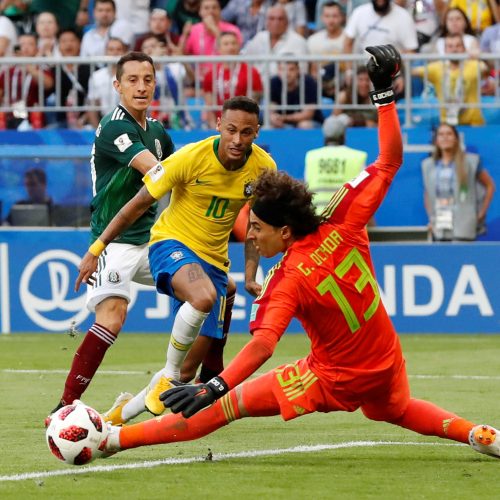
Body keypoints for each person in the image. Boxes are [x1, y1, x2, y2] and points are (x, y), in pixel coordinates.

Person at [99, 45, 500, 463]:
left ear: (284, 231)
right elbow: (389, 162)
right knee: (393, 408)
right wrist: (384, 95)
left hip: (331, 378)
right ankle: (475, 432)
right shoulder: (342, 220)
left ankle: (111, 441)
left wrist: (214, 386)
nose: (250, 237)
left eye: (256, 228)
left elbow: (262, 347)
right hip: (385, 359)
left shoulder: (286, 278)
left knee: (221, 410)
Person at [75, 96, 277, 425]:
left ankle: (117, 415)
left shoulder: (264, 168)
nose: (237, 140)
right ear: (218, 126)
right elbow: (136, 205)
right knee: (205, 297)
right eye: (231, 130)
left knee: (184, 378)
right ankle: (168, 373)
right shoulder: (190, 158)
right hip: (171, 244)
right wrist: (97, 248)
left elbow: (256, 223)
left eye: (246, 132)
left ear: (257, 132)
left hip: (212, 263)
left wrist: (252, 273)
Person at [45, 51, 175, 420]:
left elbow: (176, 179)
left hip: (150, 241)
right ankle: (65, 405)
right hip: (112, 241)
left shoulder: (159, 132)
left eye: (147, 79)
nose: (141, 86)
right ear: (117, 86)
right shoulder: (113, 126)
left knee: (206, 292)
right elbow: (159, 172)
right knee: (112, 317)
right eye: (132, 80)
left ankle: (194, 380)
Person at [421, 122, 495, 241]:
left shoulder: (471, 161)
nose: (445, 137)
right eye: (441, 134)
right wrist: (431, 217)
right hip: (440, 223)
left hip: (464, 223)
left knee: (463, 257)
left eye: (449, 134)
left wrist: (481, 213)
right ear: (436, 140)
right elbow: (428, 193)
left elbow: (490, 185)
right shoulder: (428, 165)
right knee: (442, 256)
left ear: (456, 138)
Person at [411, 33, 488, 126]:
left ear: (464, 49)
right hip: (447, 127)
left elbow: (489, 69)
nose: (454, 49)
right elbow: (410, 71)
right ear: (445, 50)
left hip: (474, 124)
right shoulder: (437, 68)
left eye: (458, 46)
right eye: (450, 46)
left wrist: (482, 57)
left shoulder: (475, 65)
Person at [304, 114, 367, 213]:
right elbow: (364, 193)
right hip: (348, 220)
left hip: (318, 220)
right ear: (344, 135)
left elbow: (307, 191)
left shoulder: (311, 156)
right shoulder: (357, 156)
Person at [202, 31, 263, 129]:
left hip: (243, 125)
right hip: (218, 125)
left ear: (239, 47)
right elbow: (209, 106)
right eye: (226, 44)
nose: (230, 47)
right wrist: (215, 128)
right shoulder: (210, 74)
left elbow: (253, 105)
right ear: (219, 49)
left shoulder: (251, 72)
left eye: (234, 43)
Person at [243, 4, 309, 77]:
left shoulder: (298, 42)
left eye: (280, 19)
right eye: (272, 18)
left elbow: (302, 72)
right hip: (256, 85)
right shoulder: (259, 37)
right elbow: (244, 60)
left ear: (287, 22)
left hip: (283, 86)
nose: (276, 23)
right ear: (266, 22)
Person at [269, 60, 323, 129]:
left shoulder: (308, 81)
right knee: (270, 125)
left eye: (291, 69)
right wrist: (273, 117)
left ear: (298, 70)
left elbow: (308, 114)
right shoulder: (274, 82)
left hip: (311, 122)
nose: (287, 73)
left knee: (304, 125)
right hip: (283, 122)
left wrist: (283, 118)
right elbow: (272, 107)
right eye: (282, 69)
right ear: (278, 70)